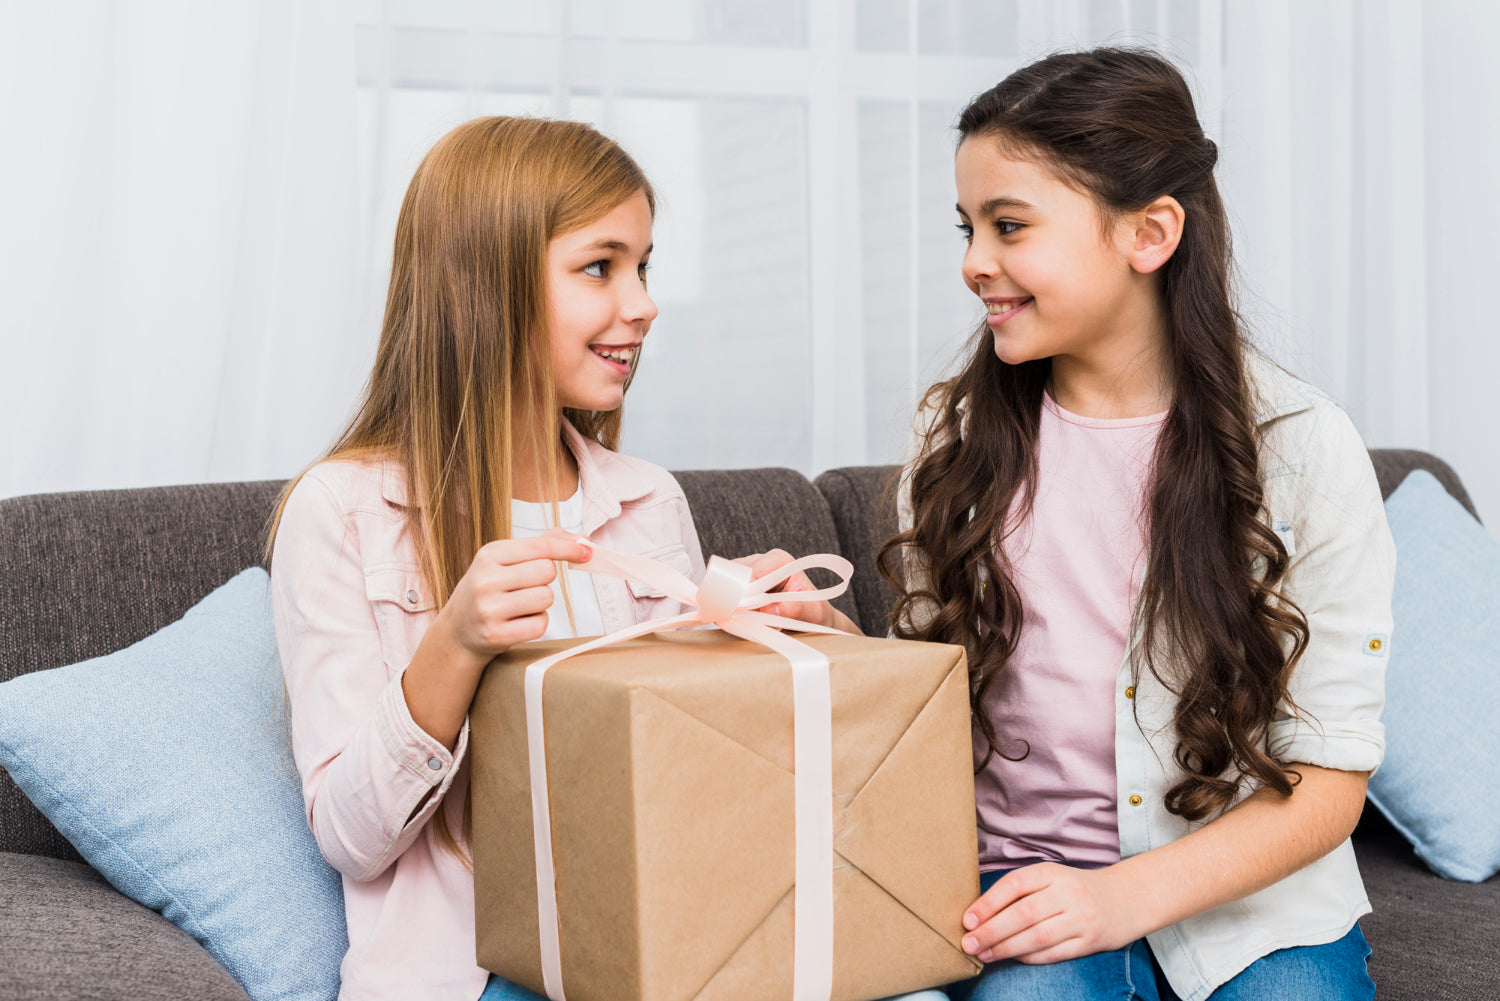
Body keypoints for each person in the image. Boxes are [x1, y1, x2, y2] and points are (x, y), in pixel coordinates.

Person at [268, 115, 905, 1001]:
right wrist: (452, 646)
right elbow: (350, 836)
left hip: (670, 953)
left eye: (645, 266)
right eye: (600, 266)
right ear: (483, 285)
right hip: (476, 974)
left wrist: (805, 643)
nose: (641, 302)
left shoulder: (649, 499)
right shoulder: (343, 511)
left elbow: (704, 785)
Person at [872, 48, 1392, 1001]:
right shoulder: (952, 436)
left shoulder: (1305, 447)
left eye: (1010, 225)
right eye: (969, 226)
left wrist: (1127, 898)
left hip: (1249, 897)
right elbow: (921, 697)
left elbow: (1328, 782)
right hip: (1020, 882)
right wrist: (826, 649)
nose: (973, 261)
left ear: (1149, 233)